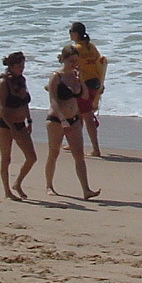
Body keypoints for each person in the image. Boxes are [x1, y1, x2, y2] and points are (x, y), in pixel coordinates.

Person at [44, 45, 100, 200]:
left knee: (79, 155)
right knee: (54, 153)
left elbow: (85, 96)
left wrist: (81, 79)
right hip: (56, 120)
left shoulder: (75, 76)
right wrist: (62, 120)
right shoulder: (56, 76)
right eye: (71, 61)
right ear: (64, 59)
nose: (74, 64)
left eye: (76, 60)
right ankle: (49, 185)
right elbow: (53, 100)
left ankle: (86, 189)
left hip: (74, 119)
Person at [0, 51, 37, 201]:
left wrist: (29, 120)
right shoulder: (3, 83)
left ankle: (17, 183)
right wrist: (12, 128)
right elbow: (2, 108)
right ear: (11, 66)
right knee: (6, 158)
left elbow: (25, 103)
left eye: (23, 65)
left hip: (20, 123)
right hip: (6, 124)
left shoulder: (21, 80)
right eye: (20, 66)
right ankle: (7, 191)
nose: (22, 68)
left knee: (31, 157)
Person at [68, 22, 107, 158]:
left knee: (87, 116)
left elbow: (70, 67)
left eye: (70, 31)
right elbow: (100, 65)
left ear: (75, 34)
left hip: (83, 86)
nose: (70, 34)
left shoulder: (75, 49)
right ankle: (74, 143)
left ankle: (96, 149)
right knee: (78, 114)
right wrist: (101, 84)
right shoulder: (91, 47)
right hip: (95, 83)